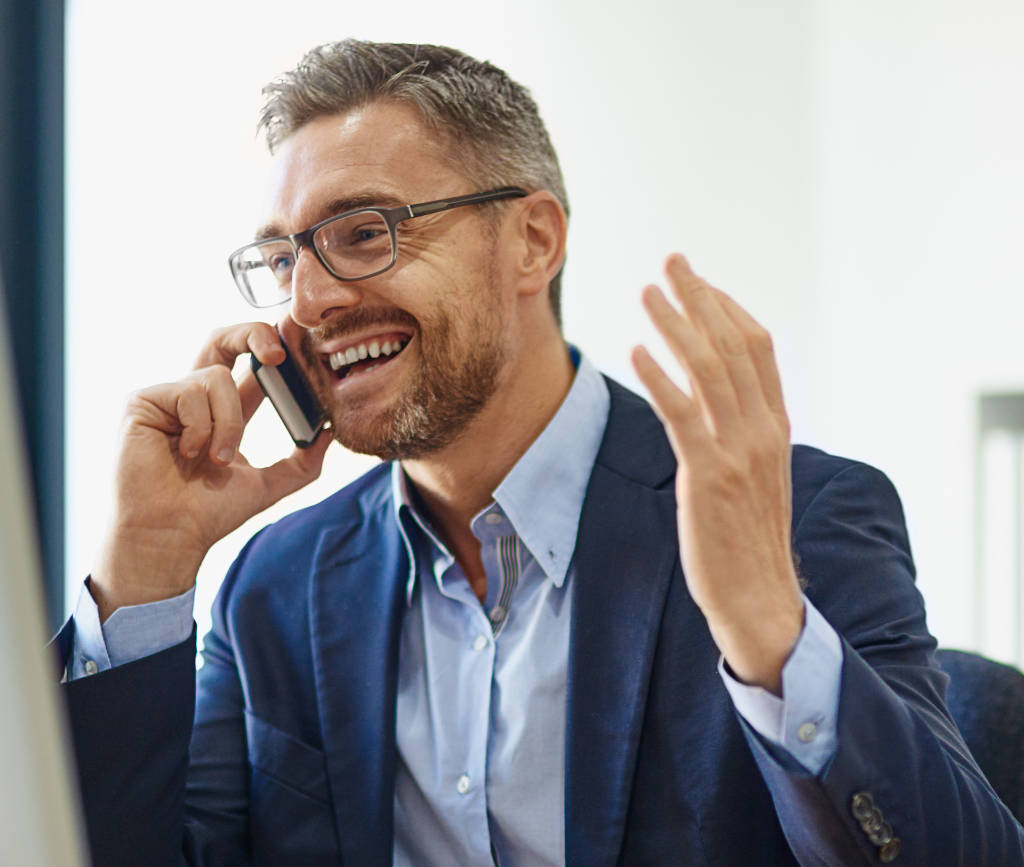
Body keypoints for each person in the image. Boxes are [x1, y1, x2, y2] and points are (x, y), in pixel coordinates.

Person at [57, 39, 1022, 866]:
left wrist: (773, 635)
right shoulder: (276, 585)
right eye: (284, 258)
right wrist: (145, 562)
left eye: (364, 232)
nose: (307, 301)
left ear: (531, 241)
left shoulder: (800, 518)